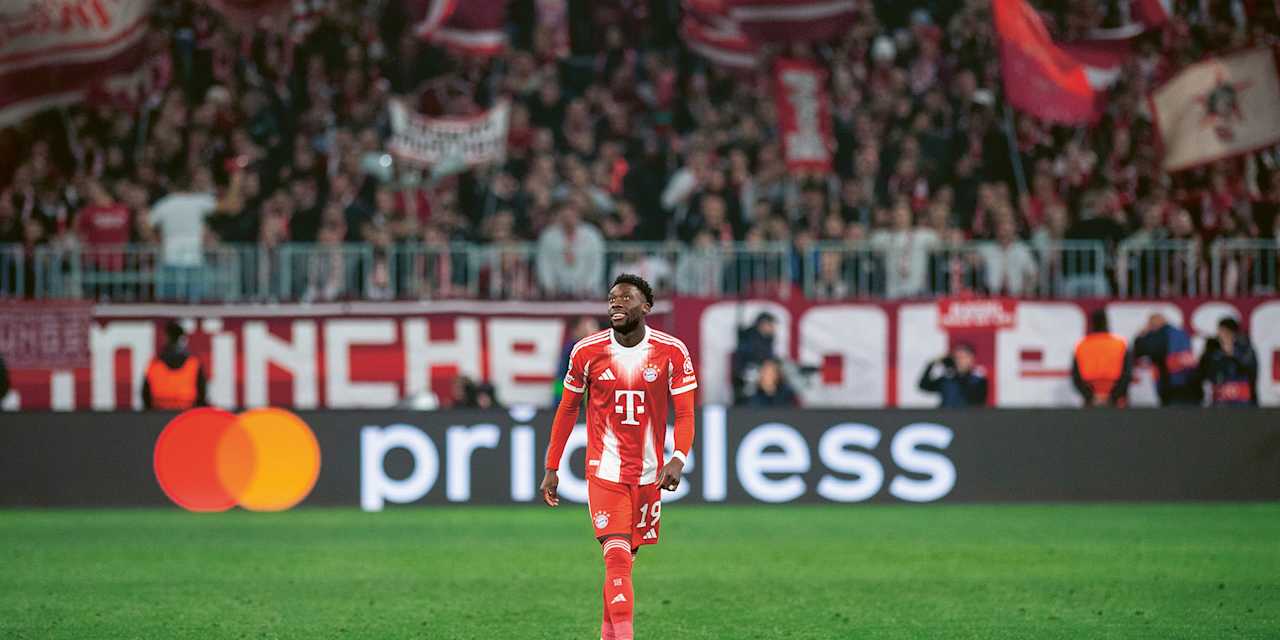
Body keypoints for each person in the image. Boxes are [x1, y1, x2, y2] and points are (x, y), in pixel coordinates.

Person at [541, 273, 696, 640]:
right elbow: (566, 411)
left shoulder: (672, 351)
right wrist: (552, 465)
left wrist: (678, 458)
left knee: (624, 564)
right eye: (612, 298)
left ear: (646, 307)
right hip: (604, 471)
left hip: (648, 475)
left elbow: (686, 414)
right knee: (616, 557)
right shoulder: (586, 351)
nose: (616, 303)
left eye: (625, 298)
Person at [1131, 314, 1202, 406]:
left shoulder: (1159, 336)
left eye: (1151, 323)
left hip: (1175, 384)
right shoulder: (1179, 334)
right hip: (1181, 385)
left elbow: (1140, 351)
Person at [141, 321, 207, 410]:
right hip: (186, 417)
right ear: (183, 340)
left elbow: (145, 397)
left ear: (166, 338)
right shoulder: (194, 364)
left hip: (158, 417)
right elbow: (202, 396)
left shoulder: (154, 365)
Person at [1072, 310, 1131, 407]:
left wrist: (1090, 396)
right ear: (1107, 322)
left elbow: (1076, 376)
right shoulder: (1120, 344)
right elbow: (1127, 374)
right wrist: (1113, 396)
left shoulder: (1082, 345)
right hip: (1116, 400)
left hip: (1090, 399)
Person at [1198, 317, 1258, 407]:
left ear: (1232, 333)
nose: (1220, 335)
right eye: (1220, 331)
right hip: (1220, 401)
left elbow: (1249, 369)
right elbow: (1205, 373)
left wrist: (1233, 354)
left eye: (1224, 332)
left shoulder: (1245, 349)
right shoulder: (1214, 350)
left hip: (1241, 402)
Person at [918, 343, 988, 408]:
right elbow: (924, 386)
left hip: (967, 418)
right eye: (957, 357)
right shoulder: (947, 379)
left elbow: (977, 399)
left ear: (971, 359)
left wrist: (956, 373)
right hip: (945, 417)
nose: (960, 360)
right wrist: (931, 364)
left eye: (963, 357)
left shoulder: (978, 380)